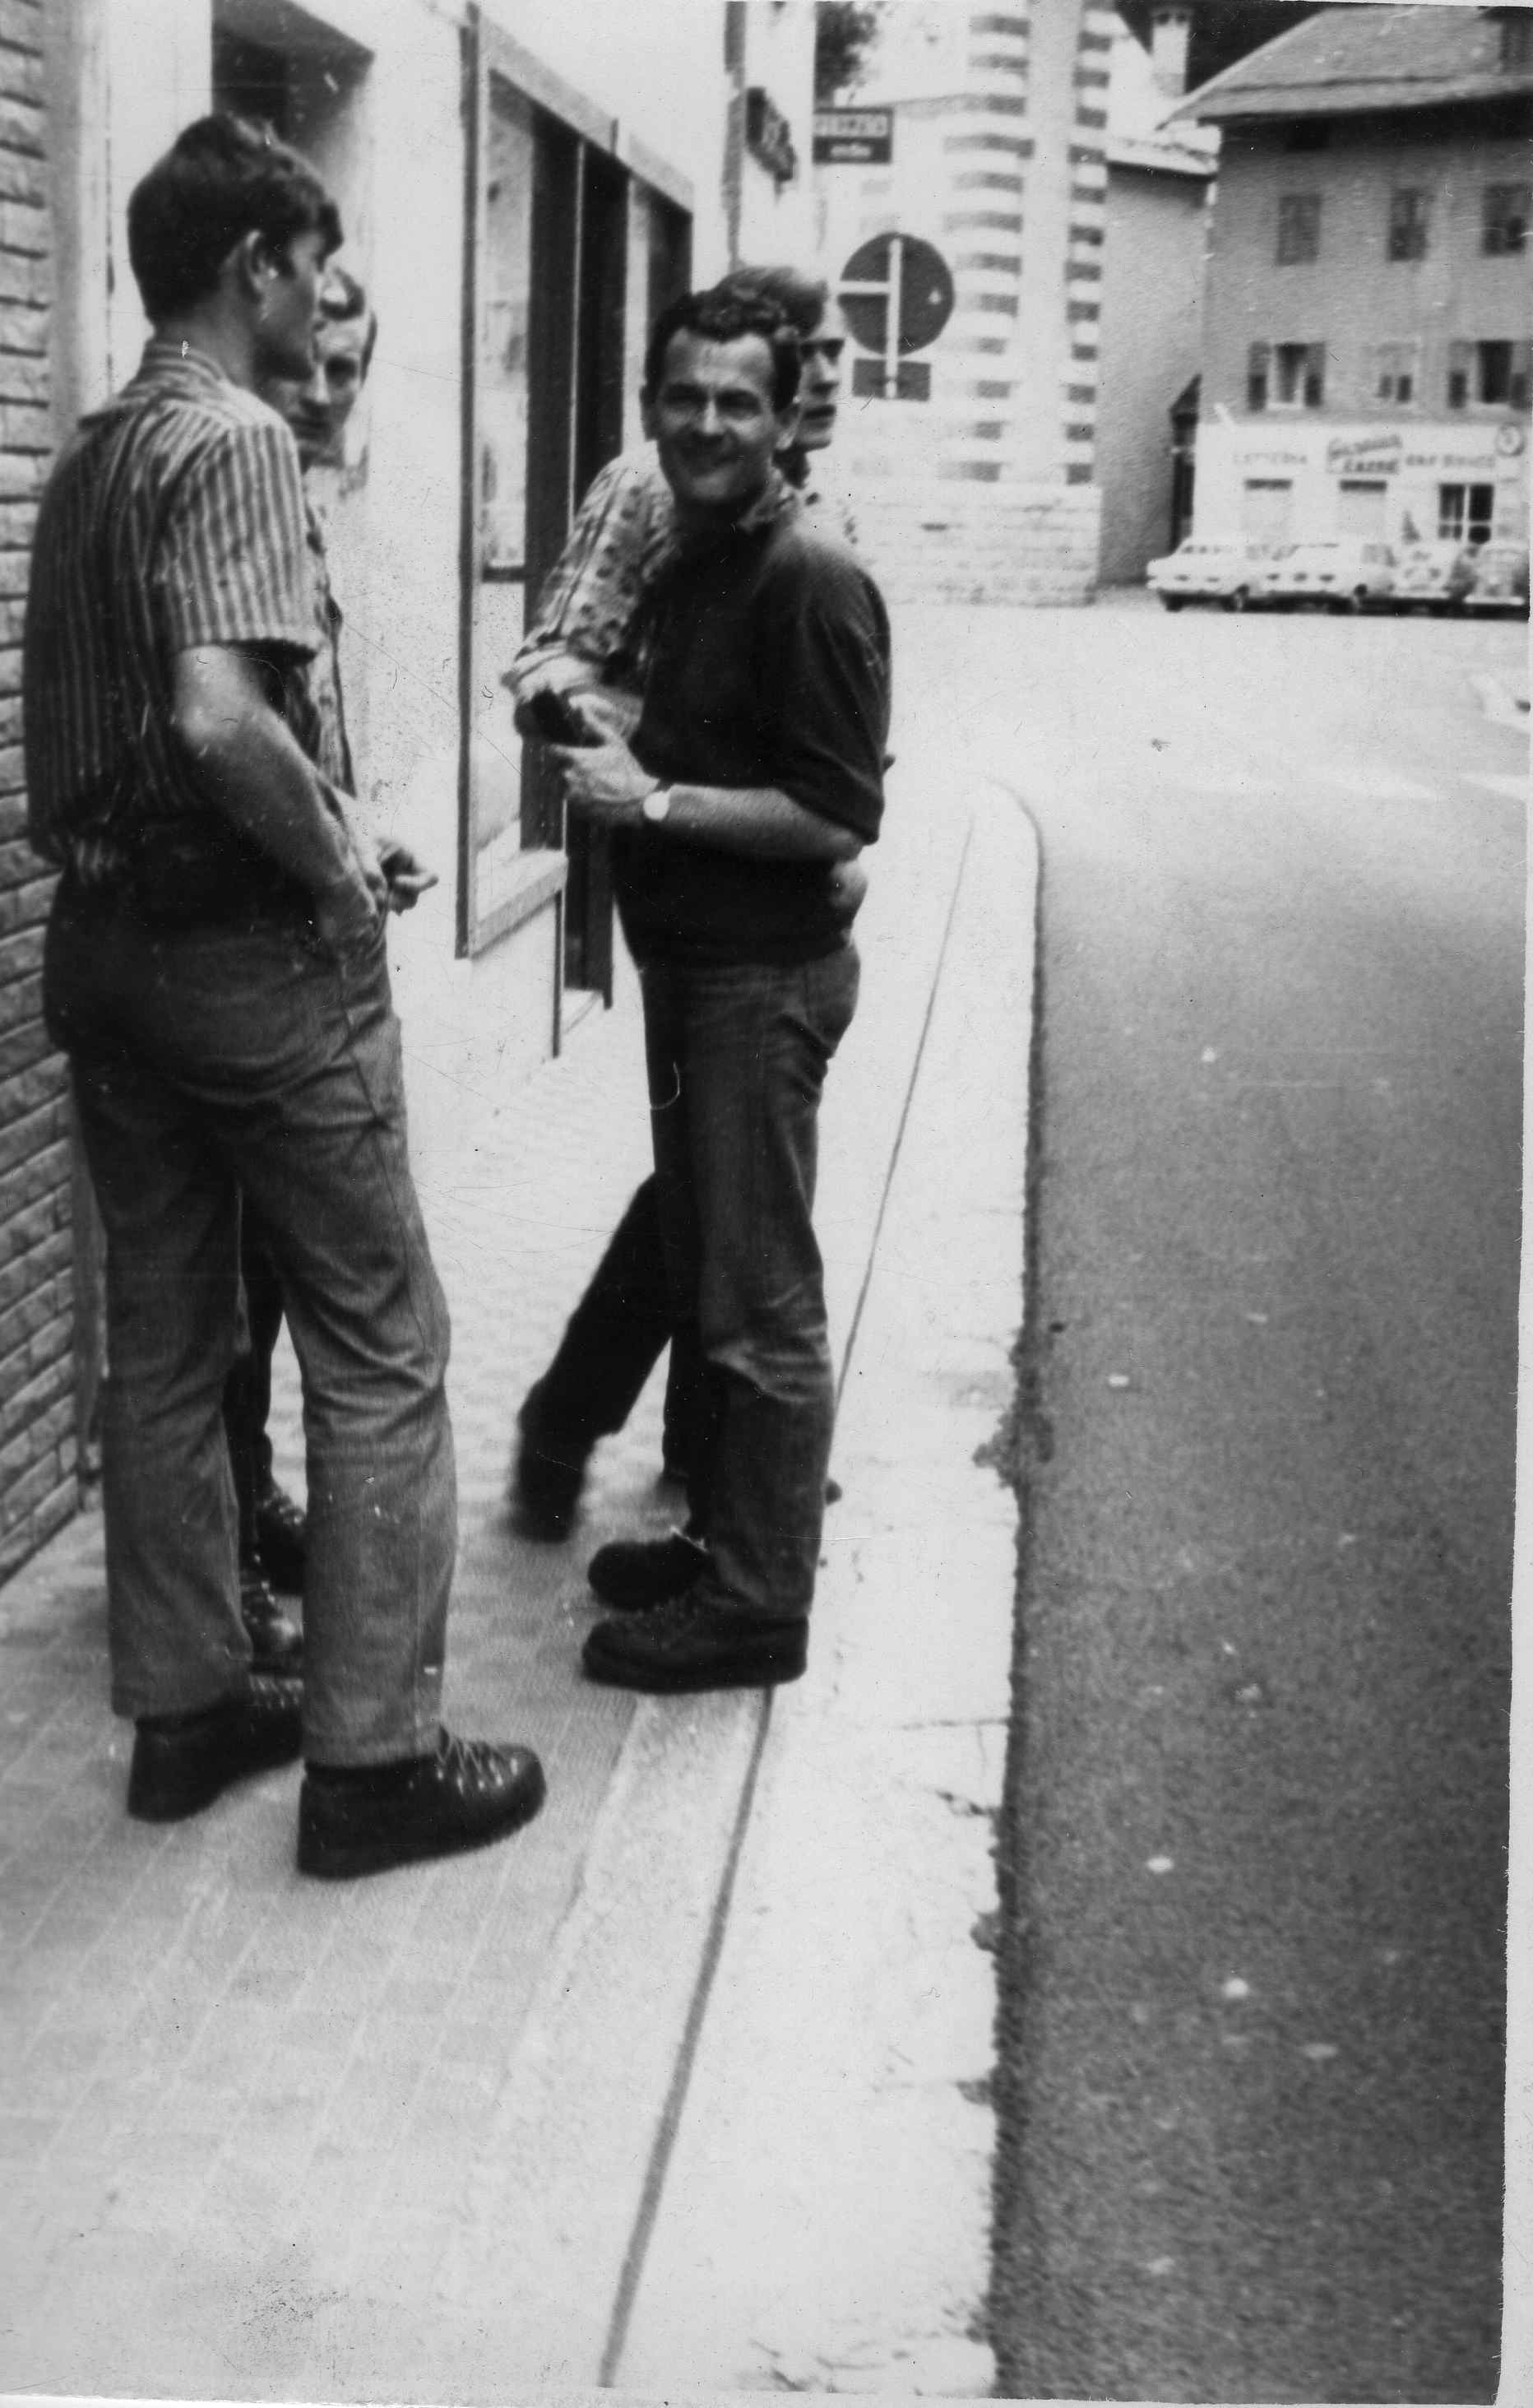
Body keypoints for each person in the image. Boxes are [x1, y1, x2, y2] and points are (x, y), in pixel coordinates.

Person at [24, 113, 544, 1874]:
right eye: (314, 273)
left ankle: (187, 1715)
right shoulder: (239, 435)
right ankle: (373, 1763)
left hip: (107, 950)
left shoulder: (97, 453)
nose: (324, 305)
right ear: (252, 267)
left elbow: (169, 728)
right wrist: (333, 872)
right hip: (248, 961)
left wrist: (324, 814)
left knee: (169, 1344)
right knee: (383, 1344)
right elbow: (216, 716)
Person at [549, 286, 891, 1692]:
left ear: (783, 416)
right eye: (684, 397)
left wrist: (652, 800)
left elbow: (837, 814)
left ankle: (757, 1607)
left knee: (760, 1305)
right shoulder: (697, 552)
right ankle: (728, 1544)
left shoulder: (808, 574)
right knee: (711, 1275)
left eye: (738, 401)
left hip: (760, 982)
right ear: (651, 408)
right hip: (696, 972)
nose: (707, 423)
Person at [223, 266, 381, 1676]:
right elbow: (220, 733)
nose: (325, 396)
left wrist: (357, 832)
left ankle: (248, 1501)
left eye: (349, 371)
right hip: (230, 964)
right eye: (306, 367)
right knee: (219, 1288)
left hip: (295, 945)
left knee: (265, 1273)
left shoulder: (303, 507)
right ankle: (220, 1572)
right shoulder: (225, 500)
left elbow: (303, 735)